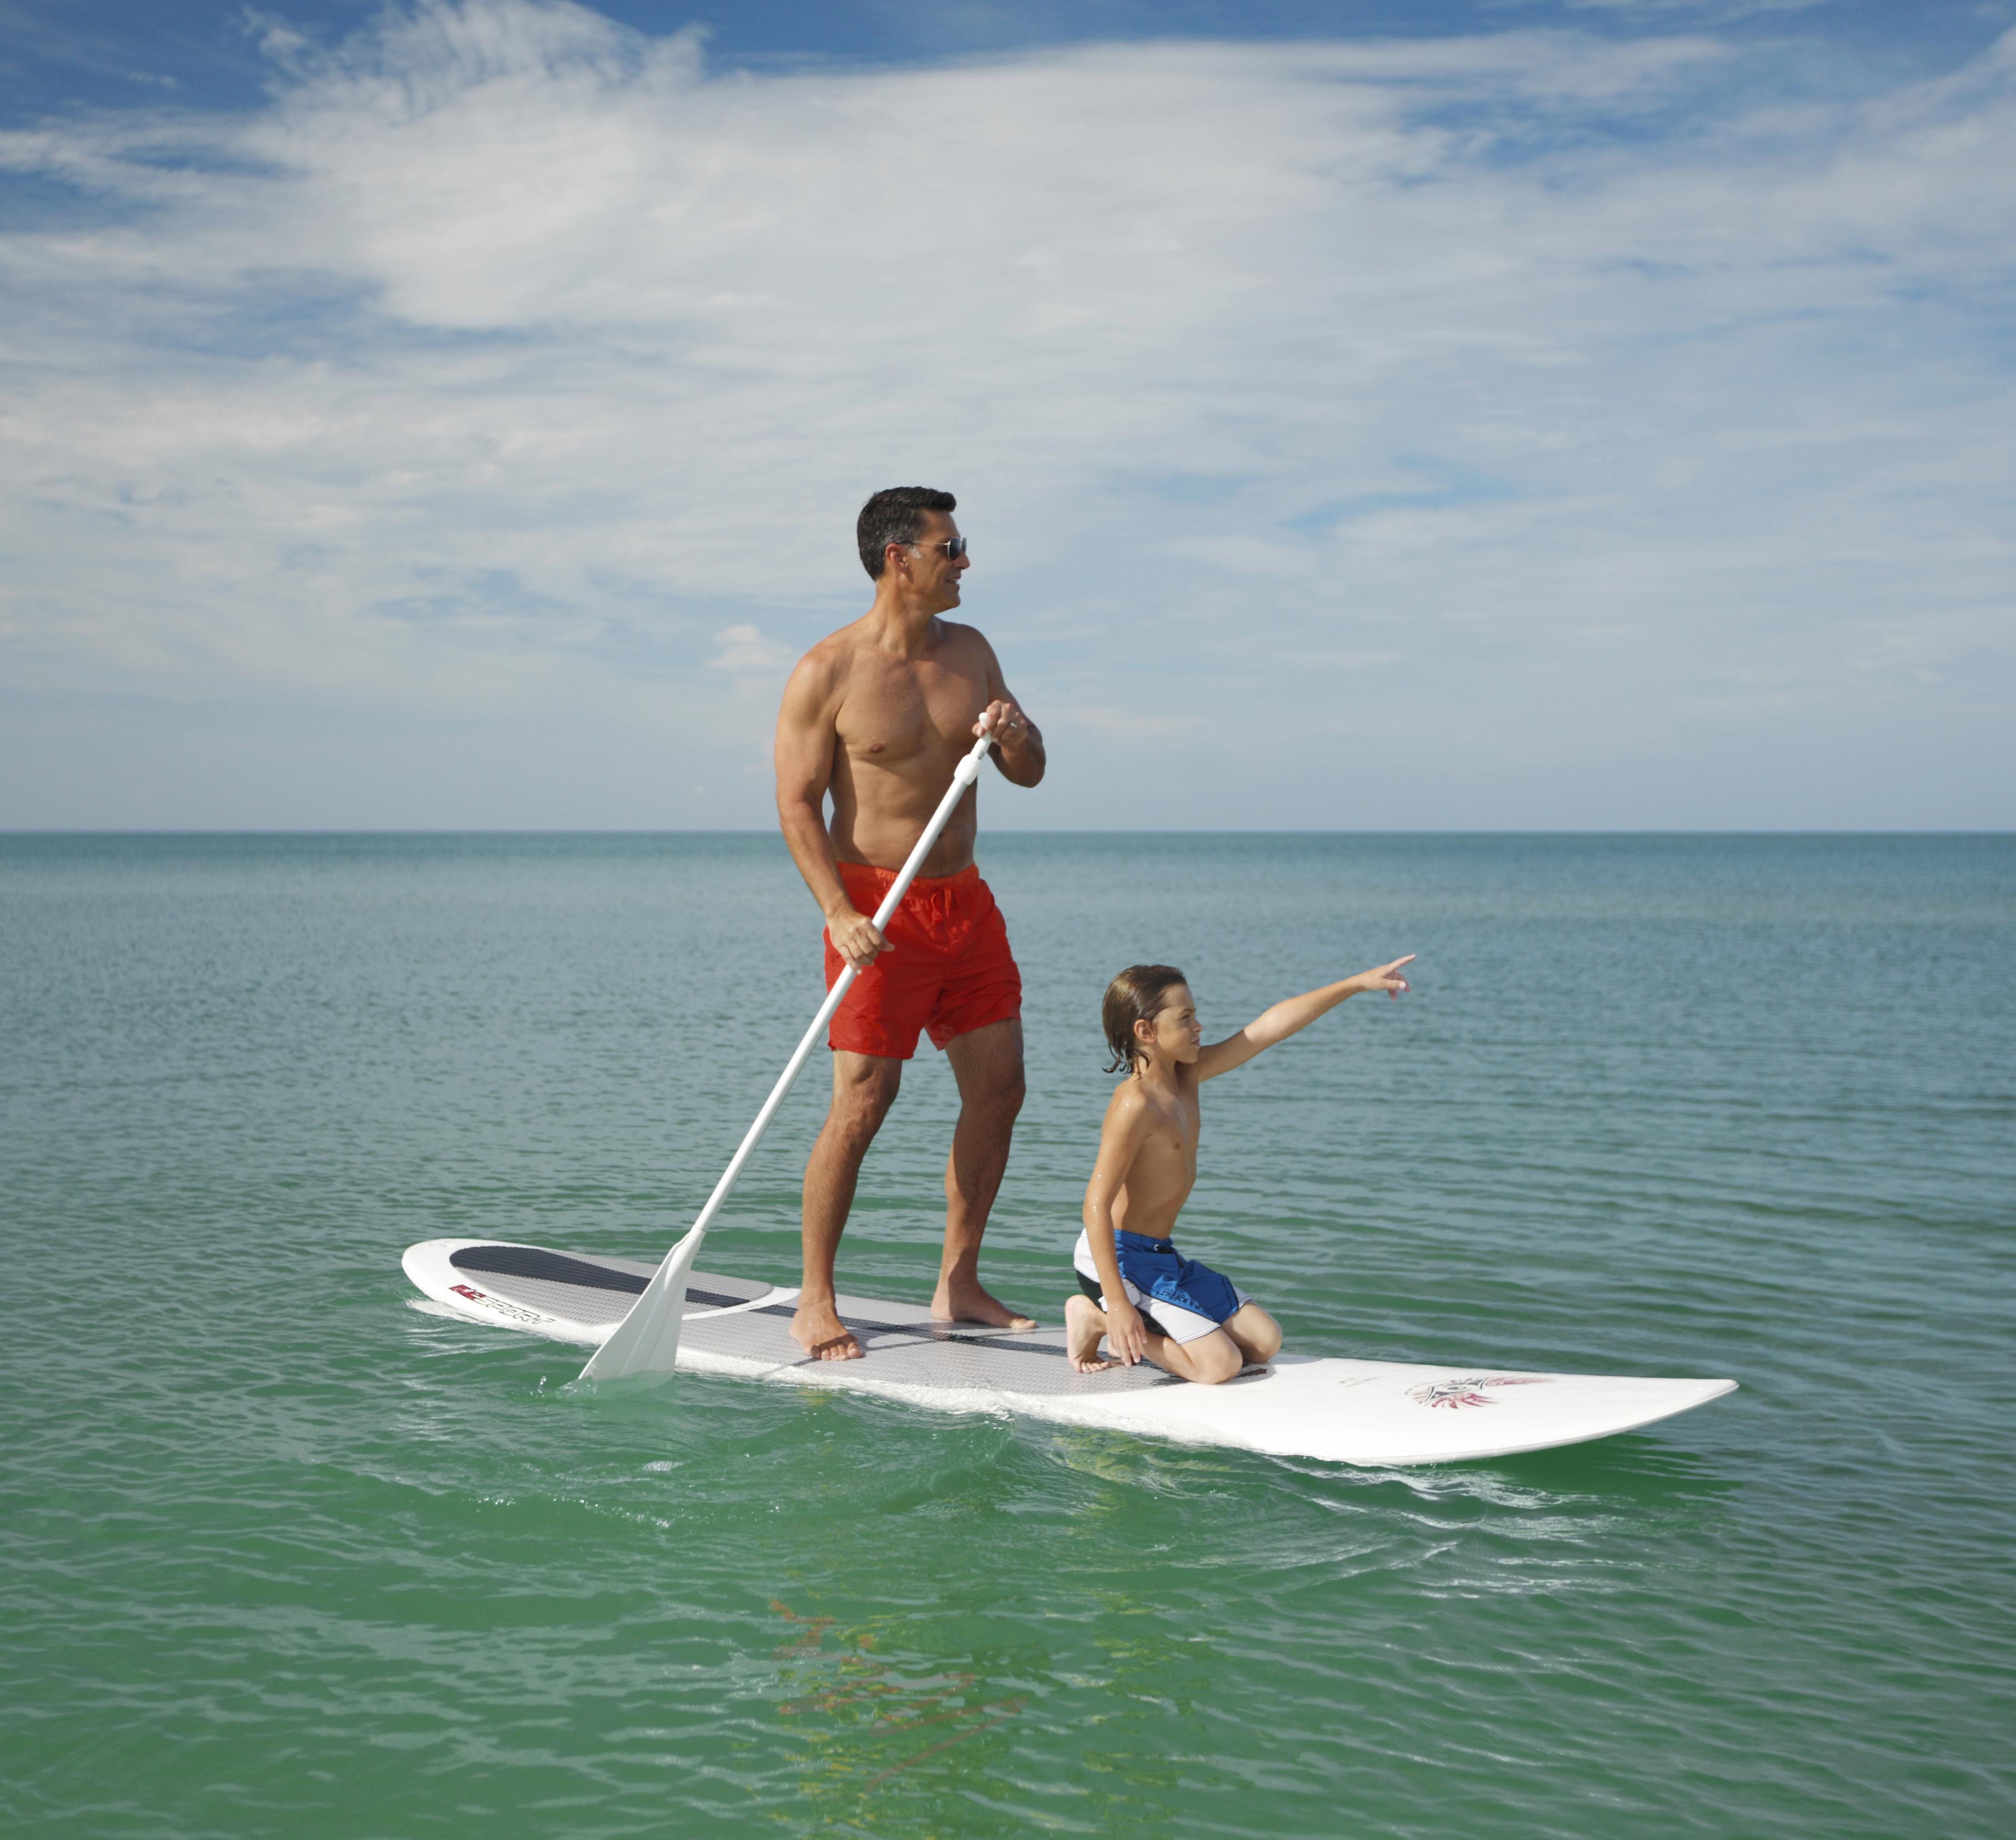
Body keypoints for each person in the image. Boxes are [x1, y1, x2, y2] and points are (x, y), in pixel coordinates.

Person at [774, 487, 1046, 1361]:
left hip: (963, 902)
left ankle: (958, 1280)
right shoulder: (829, 669)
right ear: (899, 557)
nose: (963, 560)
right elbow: (795, 803)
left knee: (1000, 1088)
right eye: (950, 545)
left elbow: (1031, 771)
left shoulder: (971, 652)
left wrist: (1013, 732)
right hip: (876, 912)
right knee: (863, 1101)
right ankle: (816, 1298)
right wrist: (838, 911)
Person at [1067, 956, 1415, 1382]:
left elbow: (1269, 1028)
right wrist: (1118, 1304)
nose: (1199, 1026)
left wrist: (1357, 983)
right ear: (1146, 1031)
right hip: (1116, 1260)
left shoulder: (1187, 1078)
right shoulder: (1134, 1103)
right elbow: (1095, 1205)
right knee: (1221, 1365)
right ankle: (1093, 1317)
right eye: (1186, 1017)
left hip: (1159, 1255)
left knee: (1264, 1342)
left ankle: (1135, 1315)